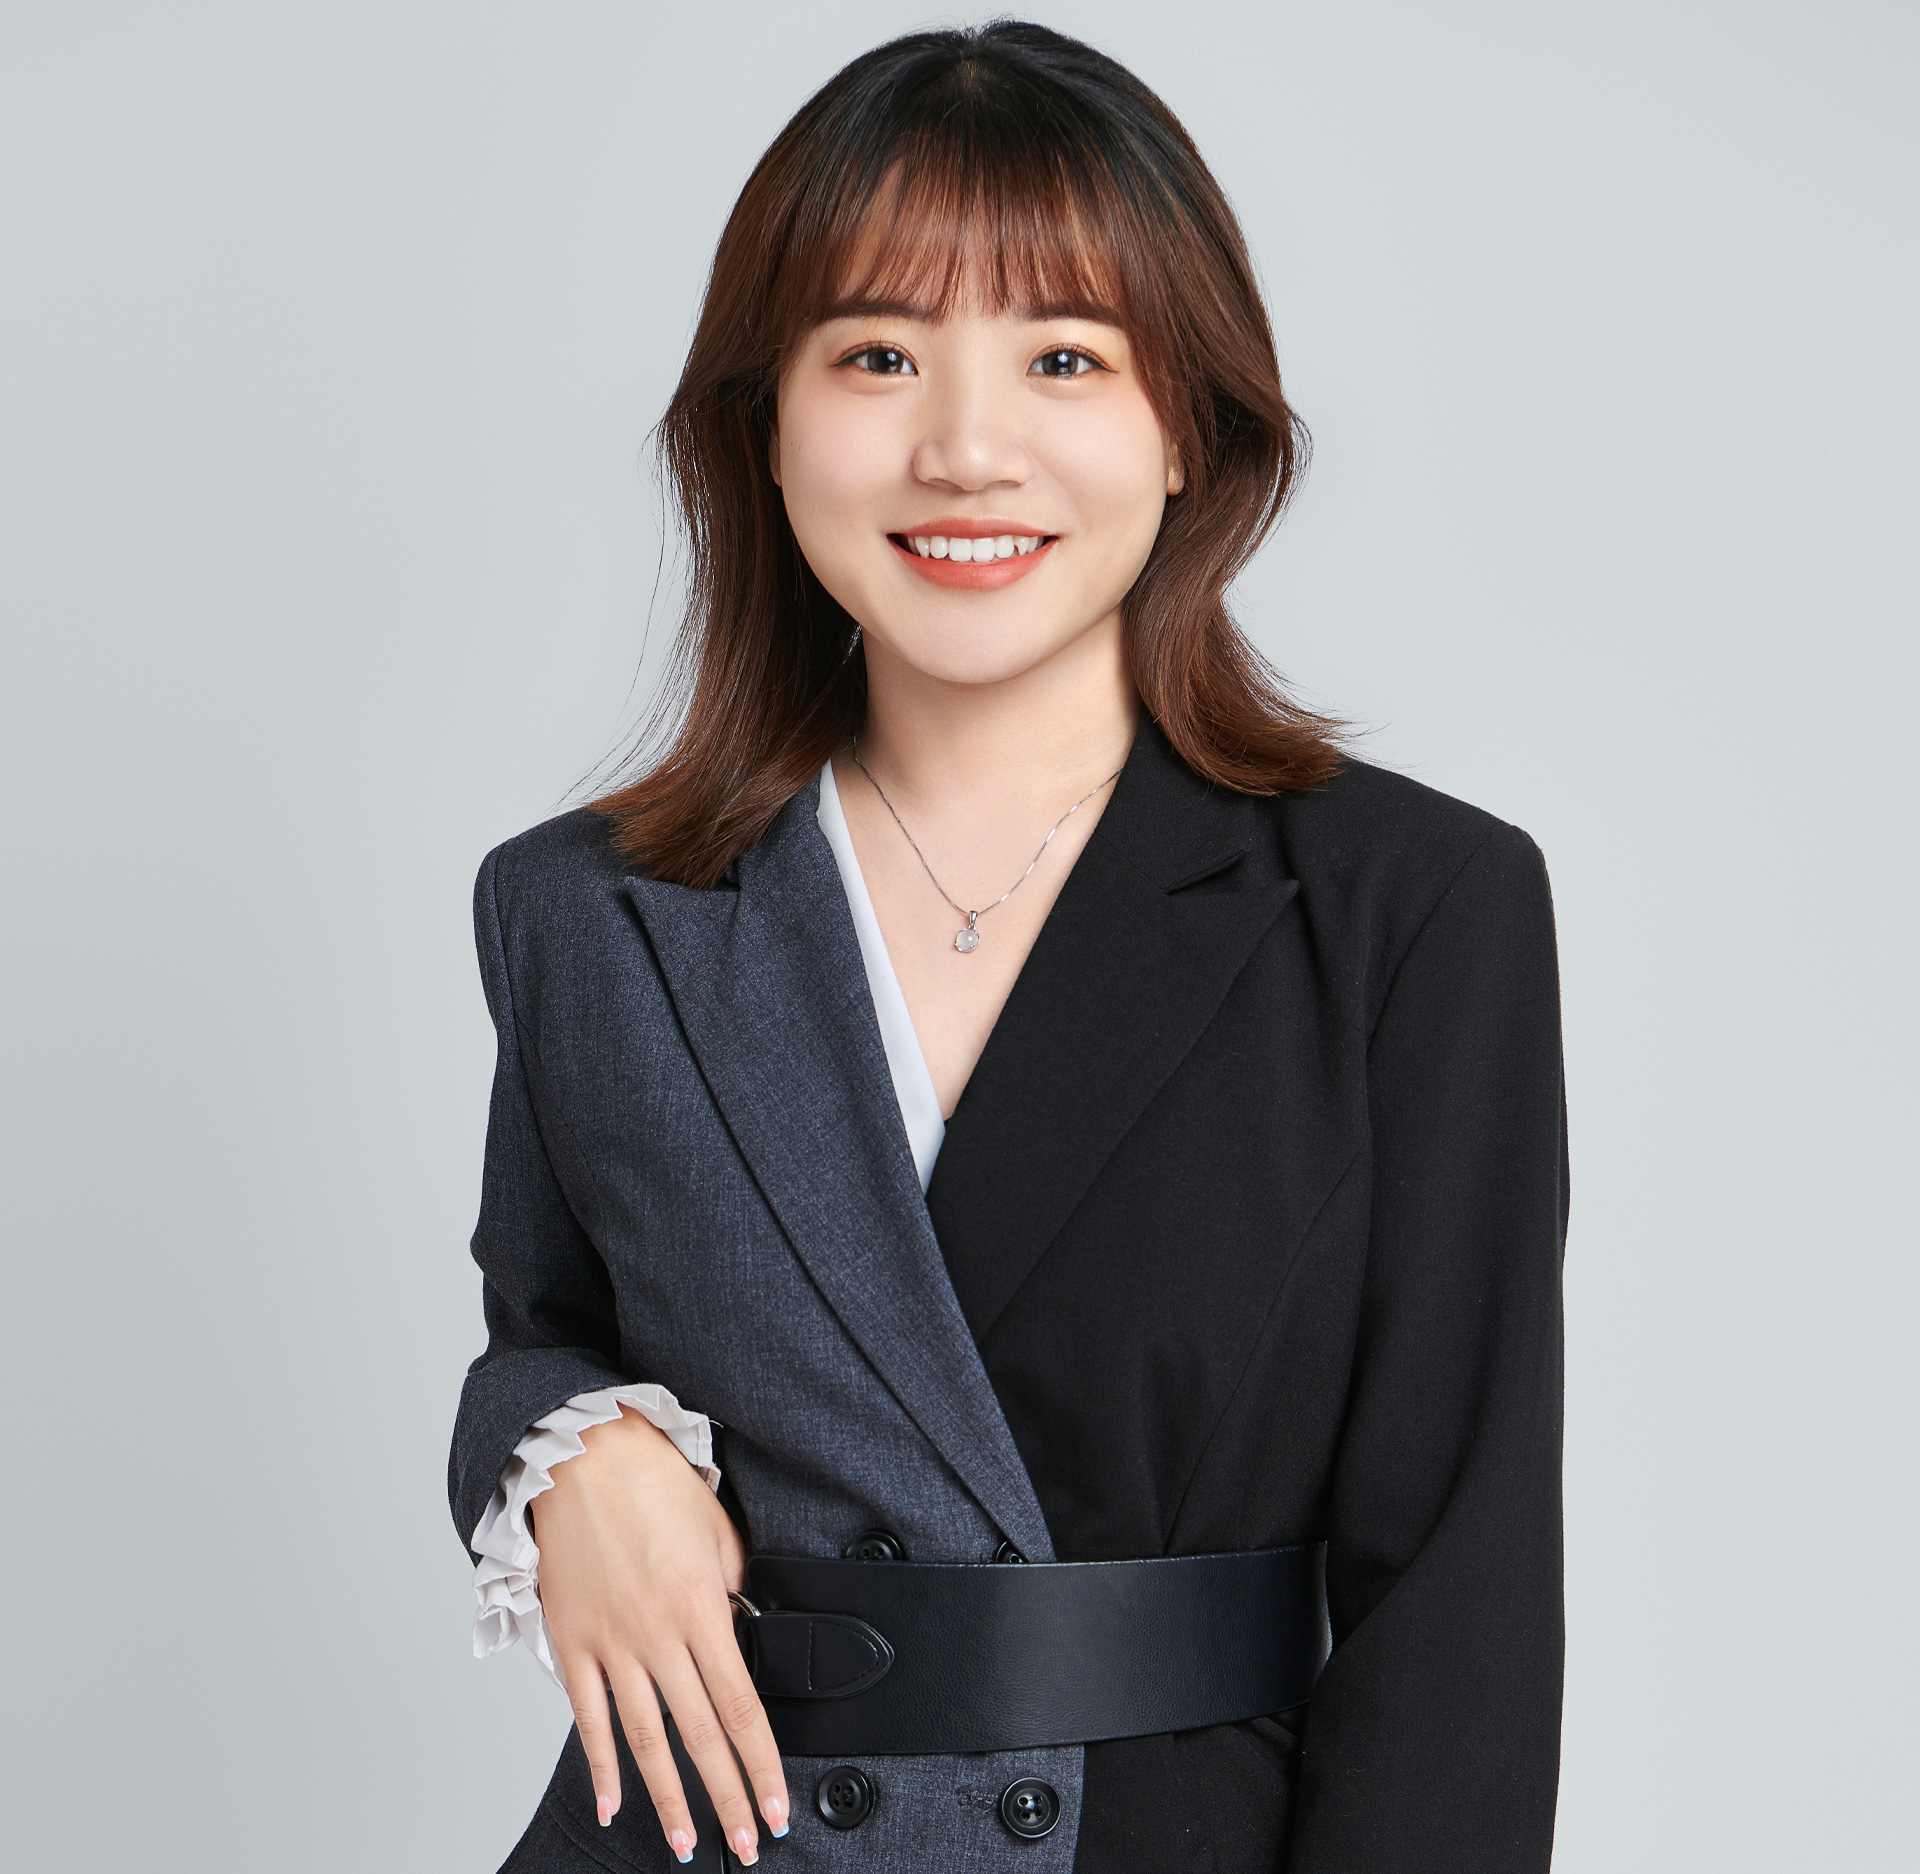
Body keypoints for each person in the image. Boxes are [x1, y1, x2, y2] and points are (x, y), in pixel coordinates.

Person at [451, 21, 1566, 1874]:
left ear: (1186, 424)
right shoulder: (589, 908)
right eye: (877, 355)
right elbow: (543, 1332)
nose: (966, 449)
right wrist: (567, 1450)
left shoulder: (1408, 906)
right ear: (765, 422)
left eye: (1065, 357)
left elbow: (1461, 1606)